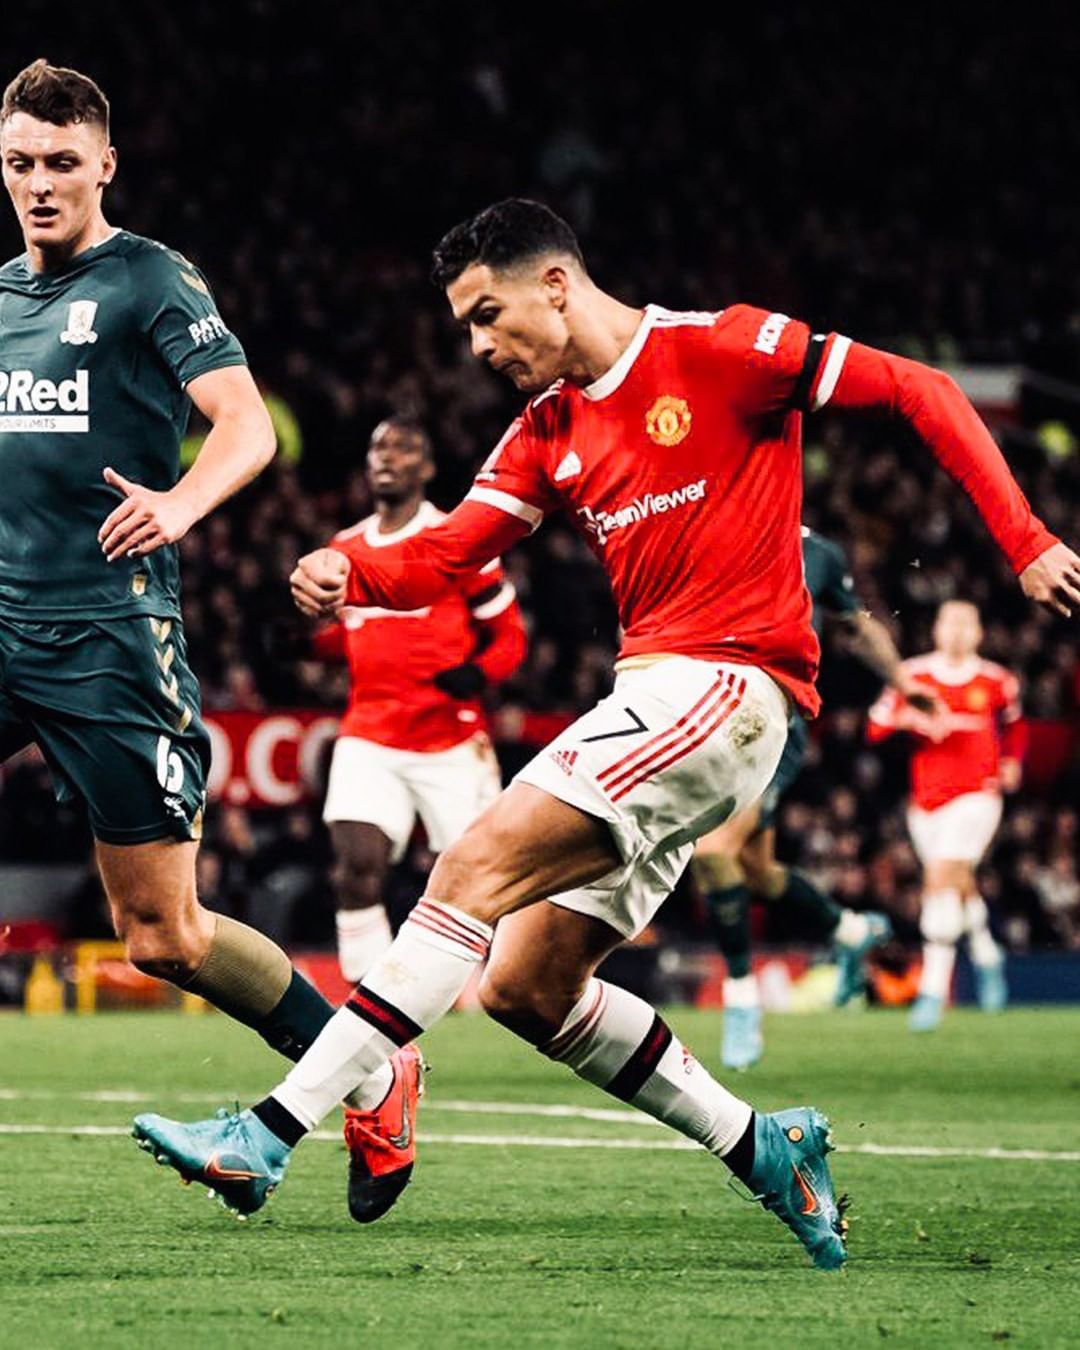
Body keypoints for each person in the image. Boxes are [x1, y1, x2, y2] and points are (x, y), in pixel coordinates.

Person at [135, 199, 1080, 1272]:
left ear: (555, 284)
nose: (478, 347)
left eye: (486, 316)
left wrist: (1027, 541)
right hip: (657, 701)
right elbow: (449, 552)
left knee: (471, 866)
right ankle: (766, 1148)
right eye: (465, 327)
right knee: (526, 987)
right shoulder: (548, 429)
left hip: (730, 685)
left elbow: (923, 388)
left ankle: (269, 1133)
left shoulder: (722, 349)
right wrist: (350, 569)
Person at [0, 61, 337, 1063]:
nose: (40, 183)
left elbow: (246, 425)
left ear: (105, 164)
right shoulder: (0, 297)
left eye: (63, 162)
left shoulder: (150, 279)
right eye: (21, 162)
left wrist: (181, 503)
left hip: (107, 637)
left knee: (162, 936)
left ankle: (360, 1065)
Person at [692, 526, 940, 1069]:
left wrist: (901, 681)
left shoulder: (817, 552)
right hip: (705, 715)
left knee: (711, 850)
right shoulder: (708, 528)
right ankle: (851, 931)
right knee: (756, 872)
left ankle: (741, 998)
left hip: (770, 725)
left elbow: (857, 623)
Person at [315, 415, 526, 982]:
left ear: (427, 467)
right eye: (378, 446)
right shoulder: (344, 549)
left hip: (448, 737)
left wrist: (477, 676)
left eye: (404, 448)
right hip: (369, 732)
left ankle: (506, 986)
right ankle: (369, 1000)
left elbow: (510, 637)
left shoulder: (458, 540)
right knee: (354, 867)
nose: (388, 456)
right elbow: (346, 636)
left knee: (484, 879)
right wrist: (304, 642)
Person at [867, 600, 1025, 1031]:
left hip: (978, 796)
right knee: (957, 882)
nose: (957, 631)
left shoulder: (996, 680)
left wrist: (1013, 761)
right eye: (949, 623)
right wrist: (909, 717)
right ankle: (987, 955)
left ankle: (932, 991)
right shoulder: (913, 675)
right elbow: (875, 725)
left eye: (965, 624)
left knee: (940, 879)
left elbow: (1015, 725)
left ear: (979, 632)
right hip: (926, 801)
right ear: (936, 629)